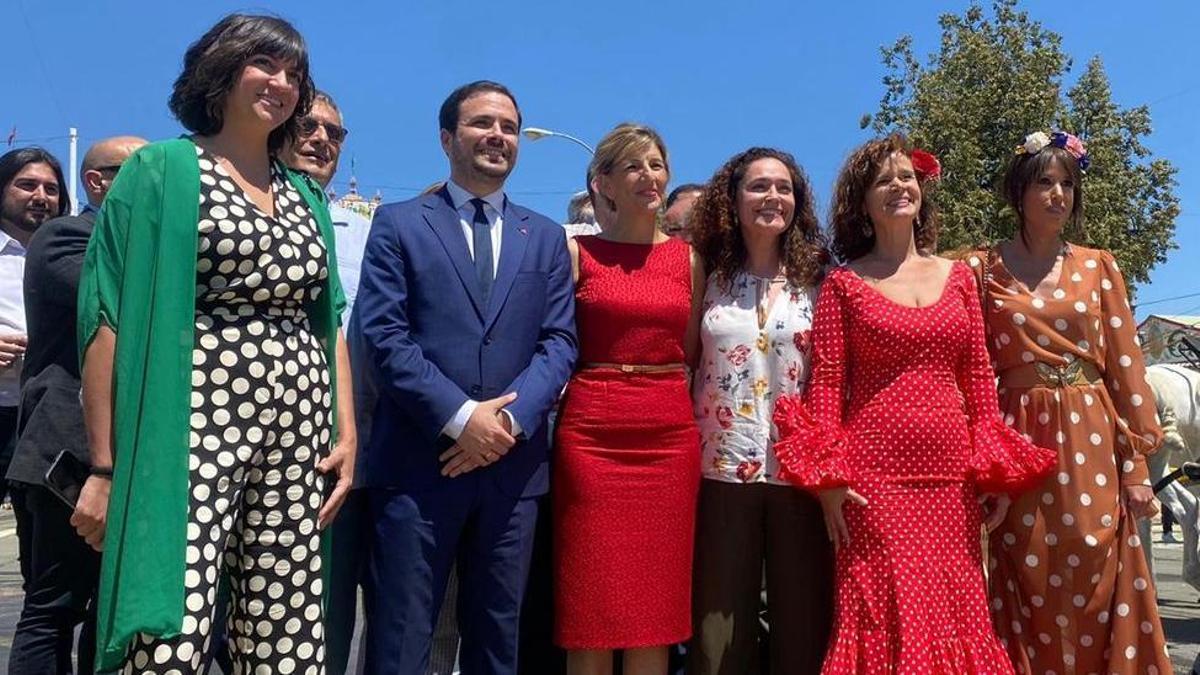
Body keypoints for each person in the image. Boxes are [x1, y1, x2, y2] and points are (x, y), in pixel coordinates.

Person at [72, 14, 356, 672]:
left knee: (288, 624)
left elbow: (327, 317)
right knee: (173, 618)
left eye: (294, 74)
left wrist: (347, 432)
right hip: (193, 423)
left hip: (301, 431)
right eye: (265, 64)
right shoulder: (161, 170)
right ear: (219, 69)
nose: (282, 83)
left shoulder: (305, 195)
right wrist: (104, 464)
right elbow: (106, 317)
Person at [772, 134, 1055, 673]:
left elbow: (977, 377)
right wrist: (829, 480)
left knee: (955, 611)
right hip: (873, 482)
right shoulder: (842, 285)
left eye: (906, 176)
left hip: (951, 480)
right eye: (884, 180)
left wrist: (992, 471)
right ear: (862, 201)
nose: (898, 186)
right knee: (883, 609)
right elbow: (827, 385)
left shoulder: (960, 278)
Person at [357, 80, 577, 675]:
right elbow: (383, 335)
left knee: (497, 645)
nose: (498, 136)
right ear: (447, 138)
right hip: (417, 468)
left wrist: (503, 422)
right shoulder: (399, 225)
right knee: (402, 641)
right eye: (483, 124)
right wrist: (460, 420)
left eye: (508, 126)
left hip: (512, 472)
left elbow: (559, 342)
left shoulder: (547, 237)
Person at [967, 130, 1171, 674]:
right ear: (1018, 193)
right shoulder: (980, 269)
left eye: (1066, 184)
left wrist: (1137, 464)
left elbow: (1126, 366)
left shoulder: (1099, 265)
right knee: (1021, 565)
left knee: (1093, 559)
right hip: (1016, 435)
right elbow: (970, 363)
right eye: (1044, 183)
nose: (1058, 194)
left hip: (1089, 429)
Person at [553, 123, 705, 675]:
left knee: (655, 609)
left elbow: (687, 351)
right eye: (635, 166)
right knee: (590, 605)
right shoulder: (577, 253)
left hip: (667, 437)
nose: (650, 176)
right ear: (605, 184)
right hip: (591, 436)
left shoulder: (689, 261)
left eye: (657, 165)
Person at [686, 147, 832, 674]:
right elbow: (684, 360)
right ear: (733, 197)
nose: (773, 196)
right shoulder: (705, 273)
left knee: (803, 625)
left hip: (800, 474)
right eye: (759, 186)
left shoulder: (821, 277)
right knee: (719, 631)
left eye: (784, 187)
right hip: (719, 469)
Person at [7, 137, 143, 674]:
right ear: (97, 181)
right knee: (56, 606)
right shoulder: (64, 238)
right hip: (66, 450)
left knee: (112, 611)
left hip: (131, 451)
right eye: (141, 173)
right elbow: (123, 301)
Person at [279, 87, 375, 675]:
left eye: (334, 133)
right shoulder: (240, 208)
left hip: (354, 447)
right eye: (308, 126)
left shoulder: (366, 229)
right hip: (256, 433)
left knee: (334, 610)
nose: (321, 140)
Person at [0, 147, 69, 507]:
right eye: (27, 185)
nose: (40, 197)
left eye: (51, 189)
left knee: (44, 545)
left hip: (47, 416)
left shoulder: (76, 254)